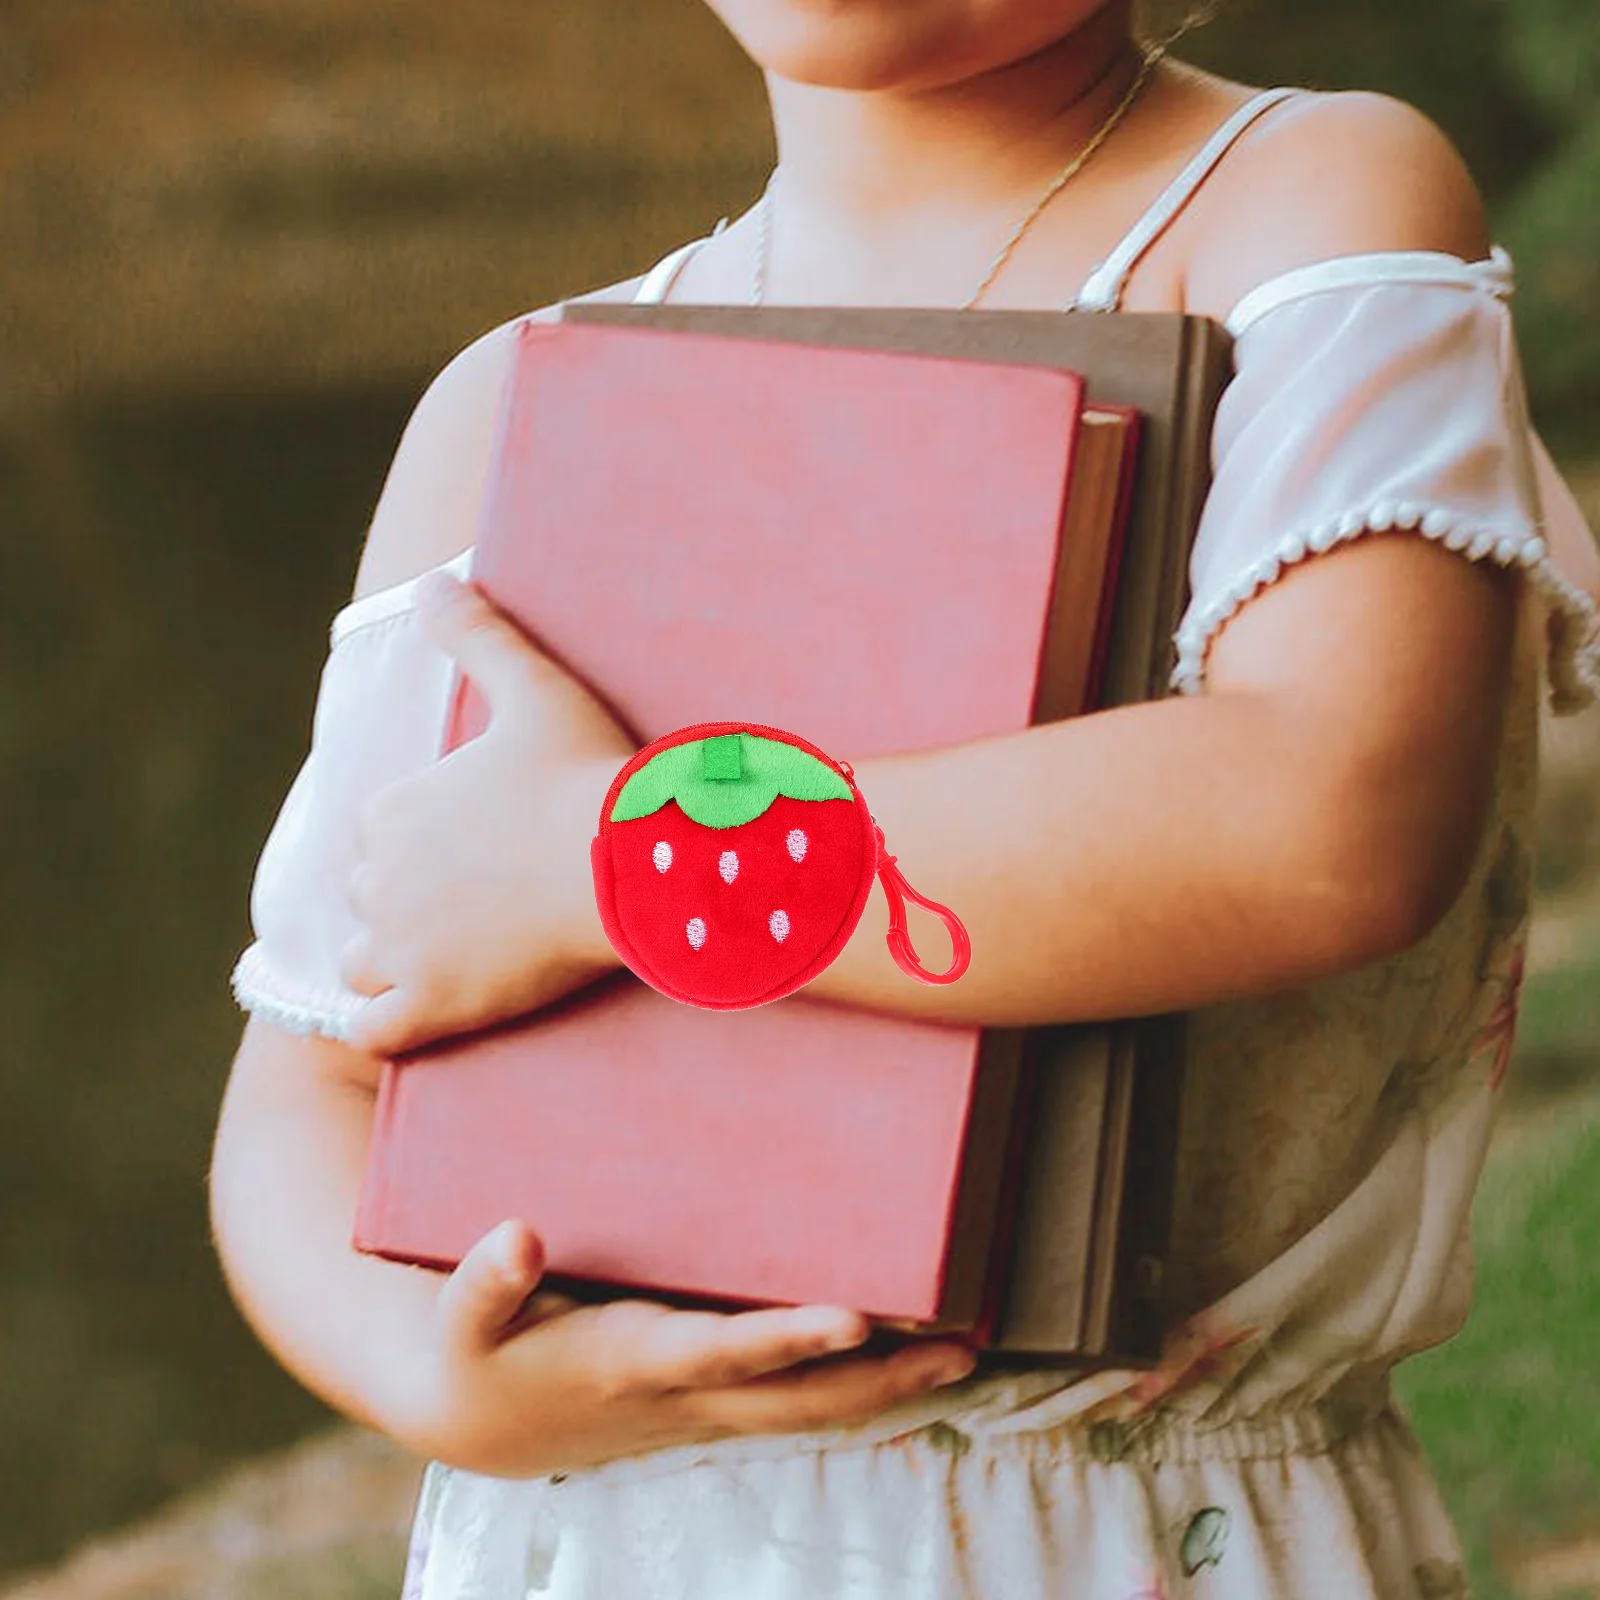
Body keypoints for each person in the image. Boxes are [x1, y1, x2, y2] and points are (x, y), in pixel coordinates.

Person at [209, 0, 1600, 1594]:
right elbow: (307, 1082)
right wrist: (430, 1375)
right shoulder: (510, 406)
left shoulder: (1297, 201)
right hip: (608, 1530)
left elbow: (1329, 817)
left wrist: (616, 862)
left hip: (1132, 1534)